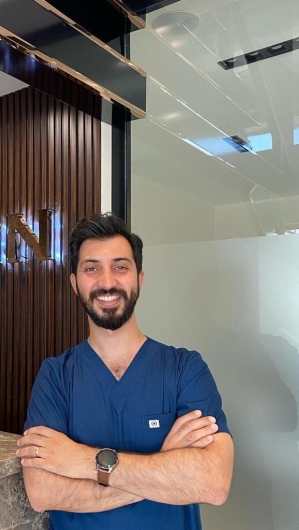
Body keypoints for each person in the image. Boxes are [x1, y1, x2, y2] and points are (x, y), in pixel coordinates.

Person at [16, 213, 234, 530]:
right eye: (92, 269)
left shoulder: (185, 369)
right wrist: (163, 462)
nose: (107, 282)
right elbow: (43, 493)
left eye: (120, 267)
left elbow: (213, 482)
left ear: (139, 279)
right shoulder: (56, 377)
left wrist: (81, 460)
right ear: (75, 283)